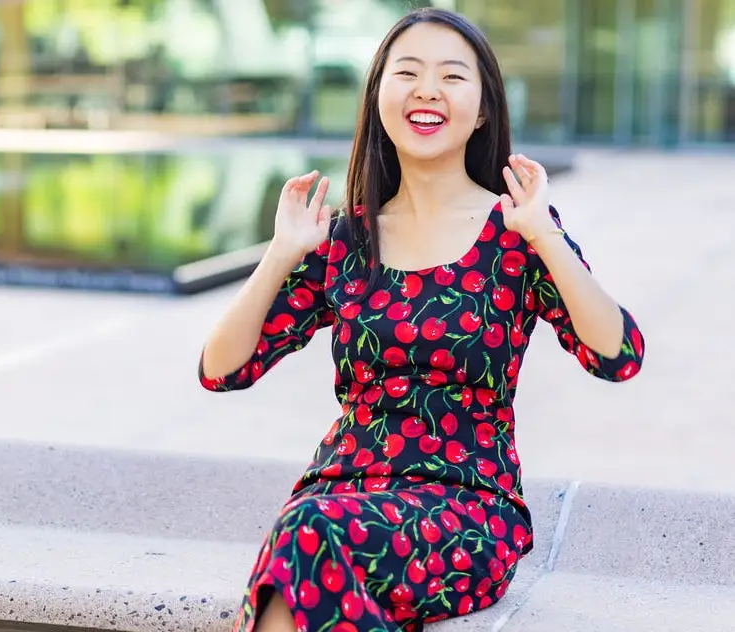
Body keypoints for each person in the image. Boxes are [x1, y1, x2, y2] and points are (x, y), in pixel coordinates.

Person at [198, 7, 644, 632]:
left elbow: (619, 355)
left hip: (468, 509)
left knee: (297, 553)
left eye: (452, 77)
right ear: (379, 96)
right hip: (339, 493)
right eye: (407, 72)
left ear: (484, 109)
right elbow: (221, 369)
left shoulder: (516, 231)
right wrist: (280, 252)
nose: (427, 89)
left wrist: (544, 234)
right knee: (302, 556)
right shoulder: (348, 238)